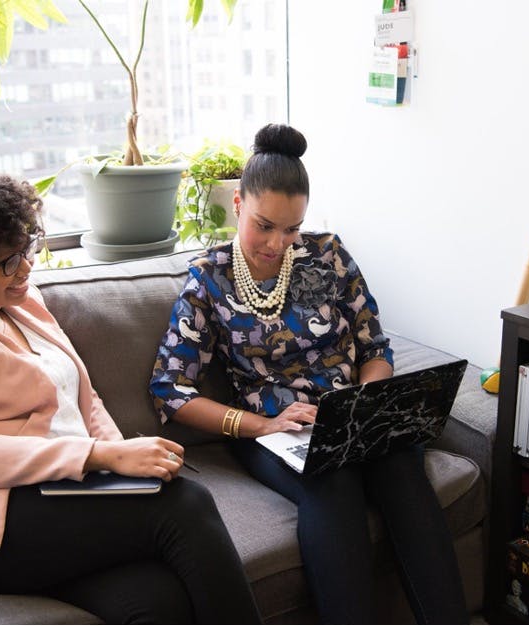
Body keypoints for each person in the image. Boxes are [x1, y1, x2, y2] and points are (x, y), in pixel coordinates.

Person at [0, 164, 260, 625]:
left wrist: (127, 464)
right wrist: (101, 458)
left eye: (26, 247)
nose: (25, 265)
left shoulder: (23, 303)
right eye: (7, 261)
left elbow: (85, 398)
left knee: (156, 601)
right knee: (186, 504)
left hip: (54, 498)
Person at [149, 124, 468, 624]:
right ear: (237, 204)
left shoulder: (329, 255)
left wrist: (367, 403)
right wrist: (262, 425)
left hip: (351, 414)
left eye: (292, 228)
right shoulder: (207, 280)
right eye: (265, 225)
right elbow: (170, 391)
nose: (278, 243)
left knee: (401, 464)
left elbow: (374, 346)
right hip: (276, 430)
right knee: (332, 480)